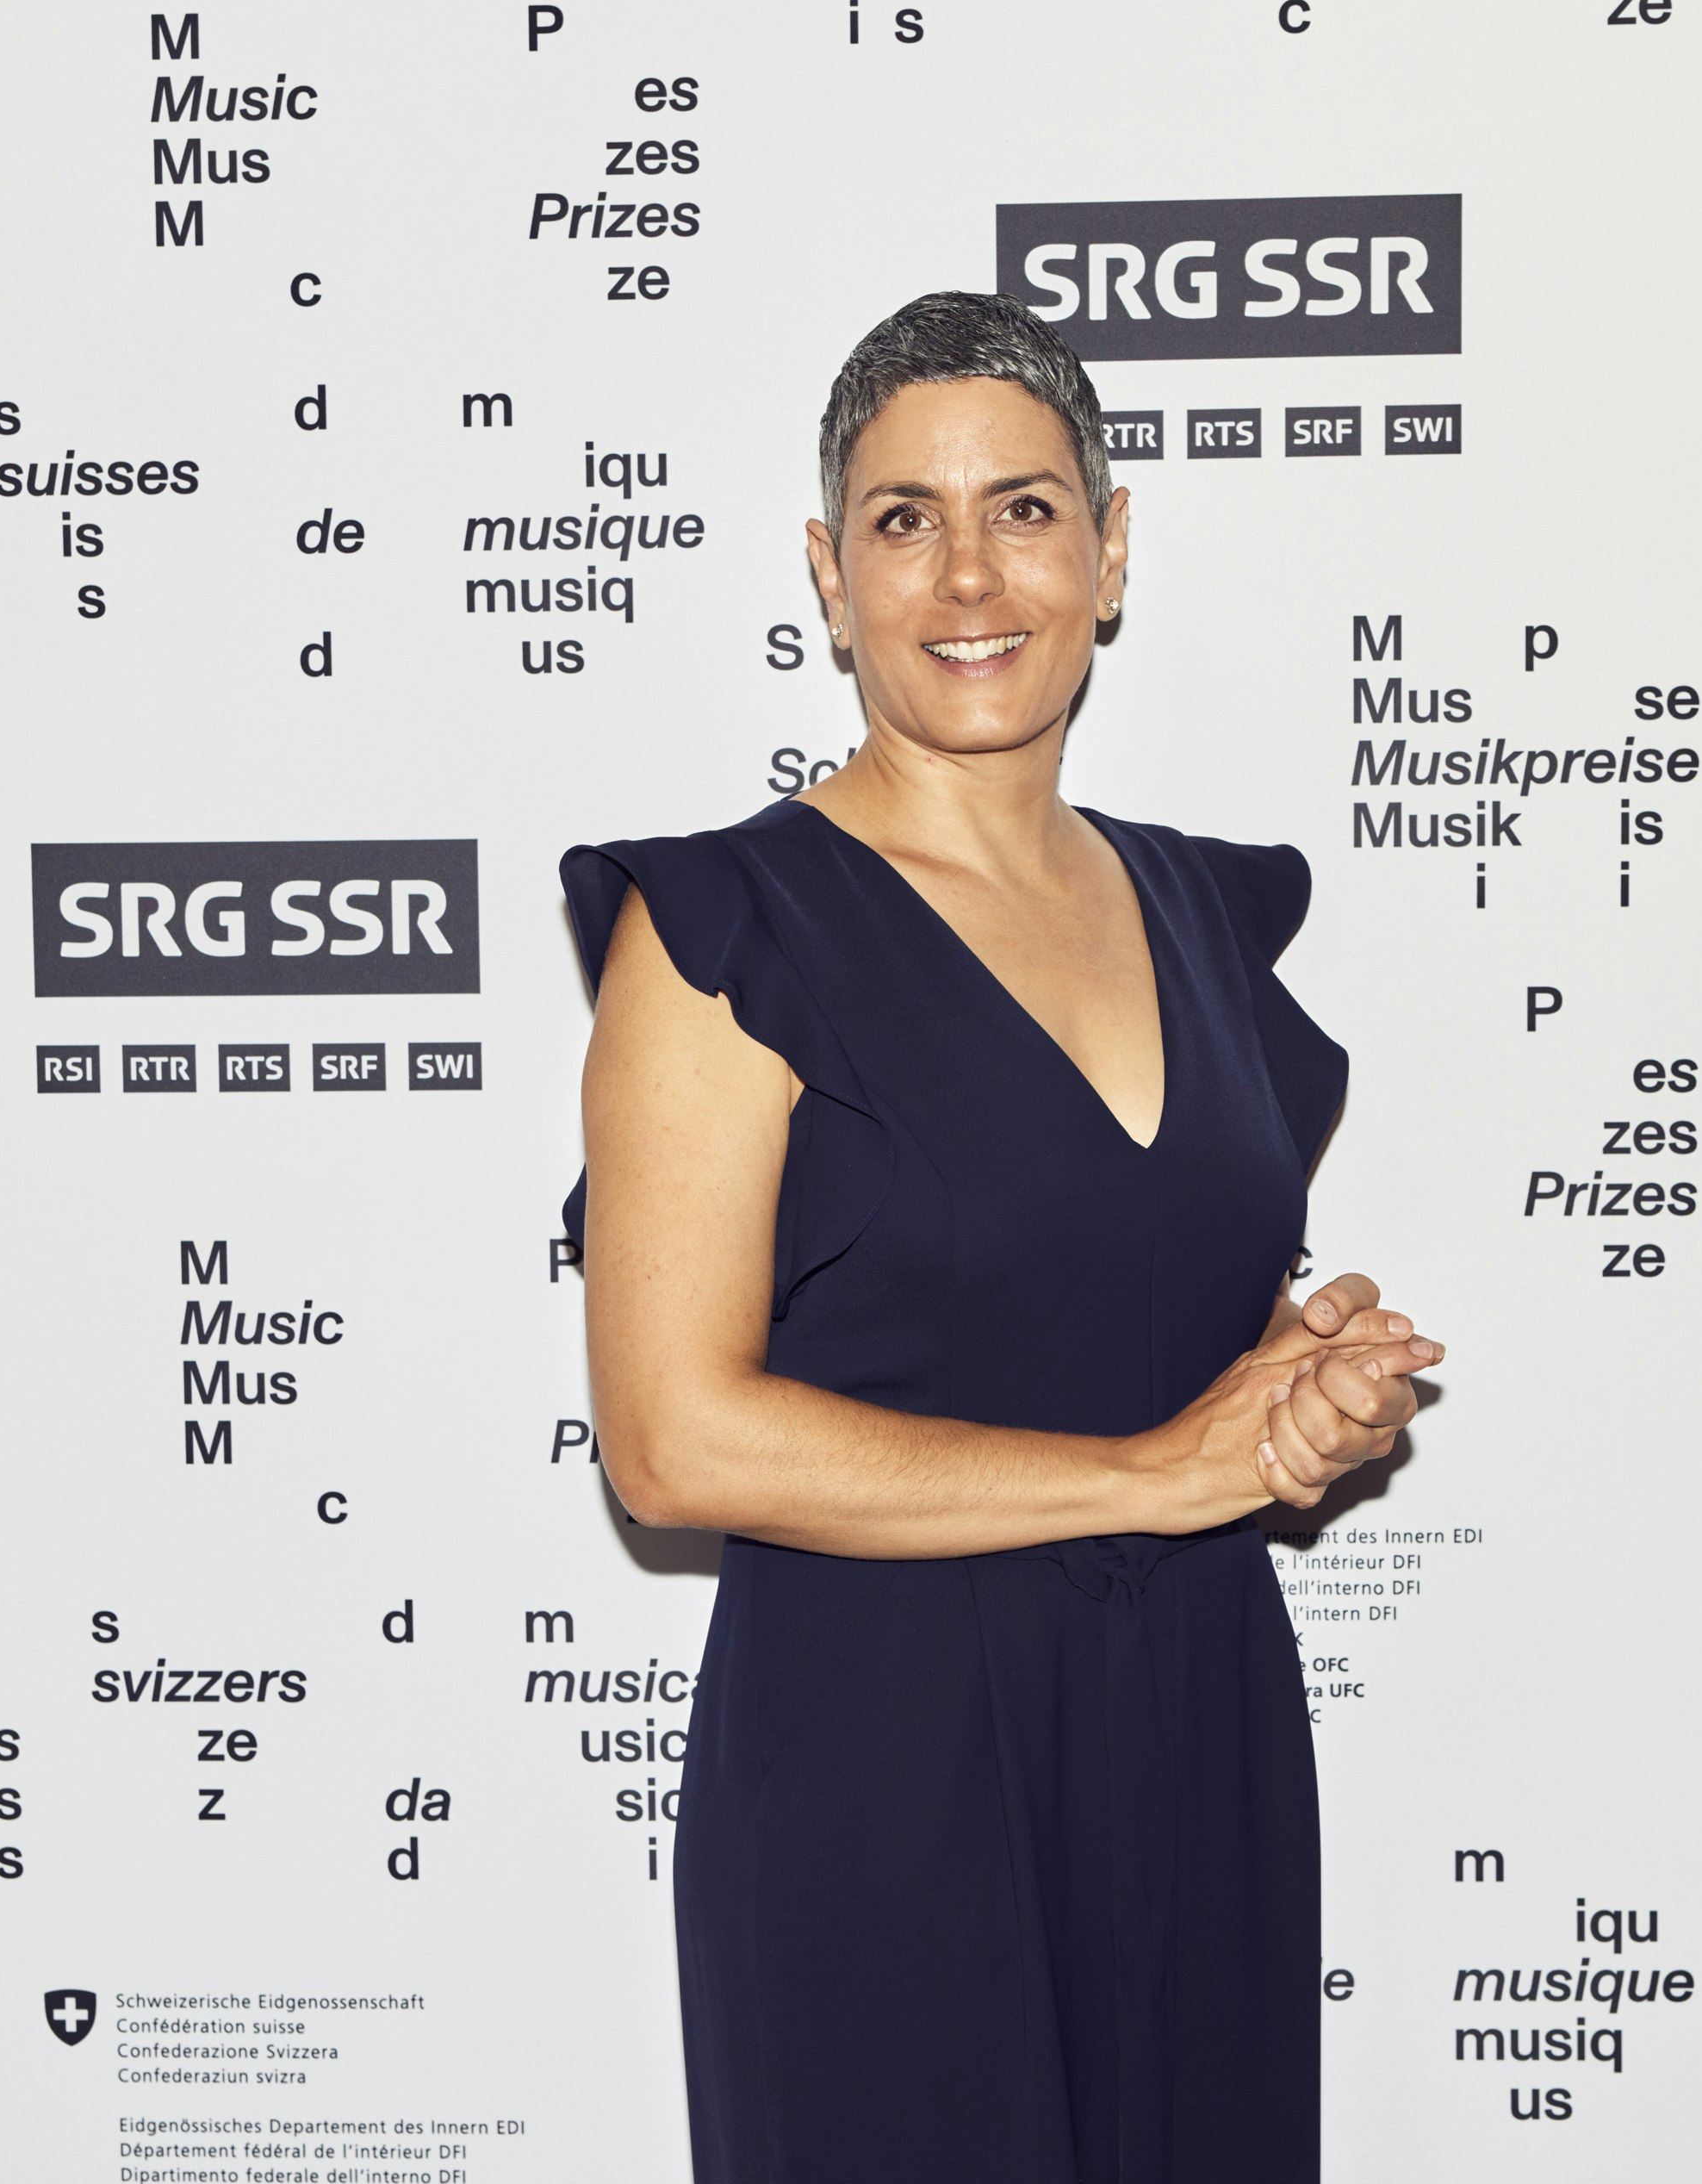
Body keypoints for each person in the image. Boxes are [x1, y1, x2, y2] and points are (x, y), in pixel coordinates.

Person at [559, 289, 1449, 2184]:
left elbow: (1123, 1322)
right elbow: (670, 1443)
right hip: (884, 1783)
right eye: (904, 519)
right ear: (831, 575)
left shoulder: (1203, 913)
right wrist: (1147, 1473)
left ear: (1110, 552)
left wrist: (1297, 1399)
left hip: (1196, 1738)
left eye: (1025, 510)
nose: (968, 574)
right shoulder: (722, 934)